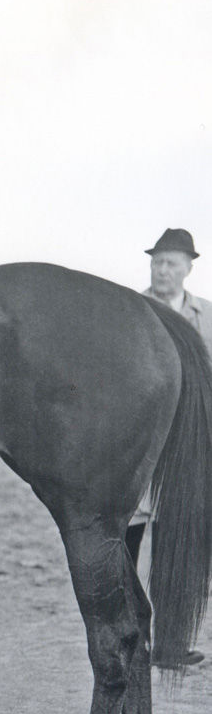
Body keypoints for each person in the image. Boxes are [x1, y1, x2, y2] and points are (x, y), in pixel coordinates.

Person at [126, 228, 211, 666]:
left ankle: (171, 645)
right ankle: (127, 638)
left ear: (189, 268)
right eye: (157, 261)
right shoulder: (130, 311)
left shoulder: (207, 317)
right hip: (138, 445)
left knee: (178, 545)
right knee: (127, 538)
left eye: (172, 263)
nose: (162, 270)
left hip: (187, 450)